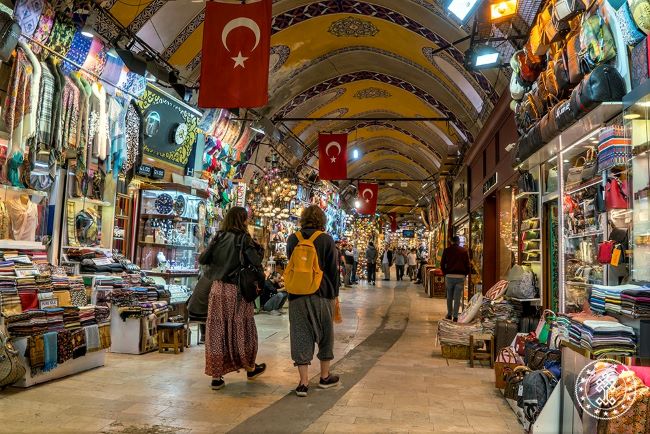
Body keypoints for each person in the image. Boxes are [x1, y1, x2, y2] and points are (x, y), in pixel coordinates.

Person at [197, 207, 266, 391]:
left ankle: (216, 377)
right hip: (237, 292)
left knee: (217, 331)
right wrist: (259, 248)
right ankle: (250, 368)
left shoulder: (218, 237)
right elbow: (256, 262)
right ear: (242, 220)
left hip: (217, 289)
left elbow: (203, 259)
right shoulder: (244, 239)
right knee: (242, 329)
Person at [286, 205, 340, 397]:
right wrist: (335, 293)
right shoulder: (326, 240)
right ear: (322, 220)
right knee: (326, 334)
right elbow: (333, 270)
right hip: (322, 293)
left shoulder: (293, 239)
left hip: (297, 295)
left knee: (300, 334)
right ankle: (325, 376)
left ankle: (303, 382)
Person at [441, 236, 471, 322]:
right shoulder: (464, 251)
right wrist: (465, 274)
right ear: (458, 241)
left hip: (449, 276)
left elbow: (442, 264)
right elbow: (468, 265)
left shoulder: (447, 250)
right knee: (457, 297)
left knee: (449, 296)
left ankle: (449, 314)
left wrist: (445, 273)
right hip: (460, 277)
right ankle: (455, 316)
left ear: (451, 241)